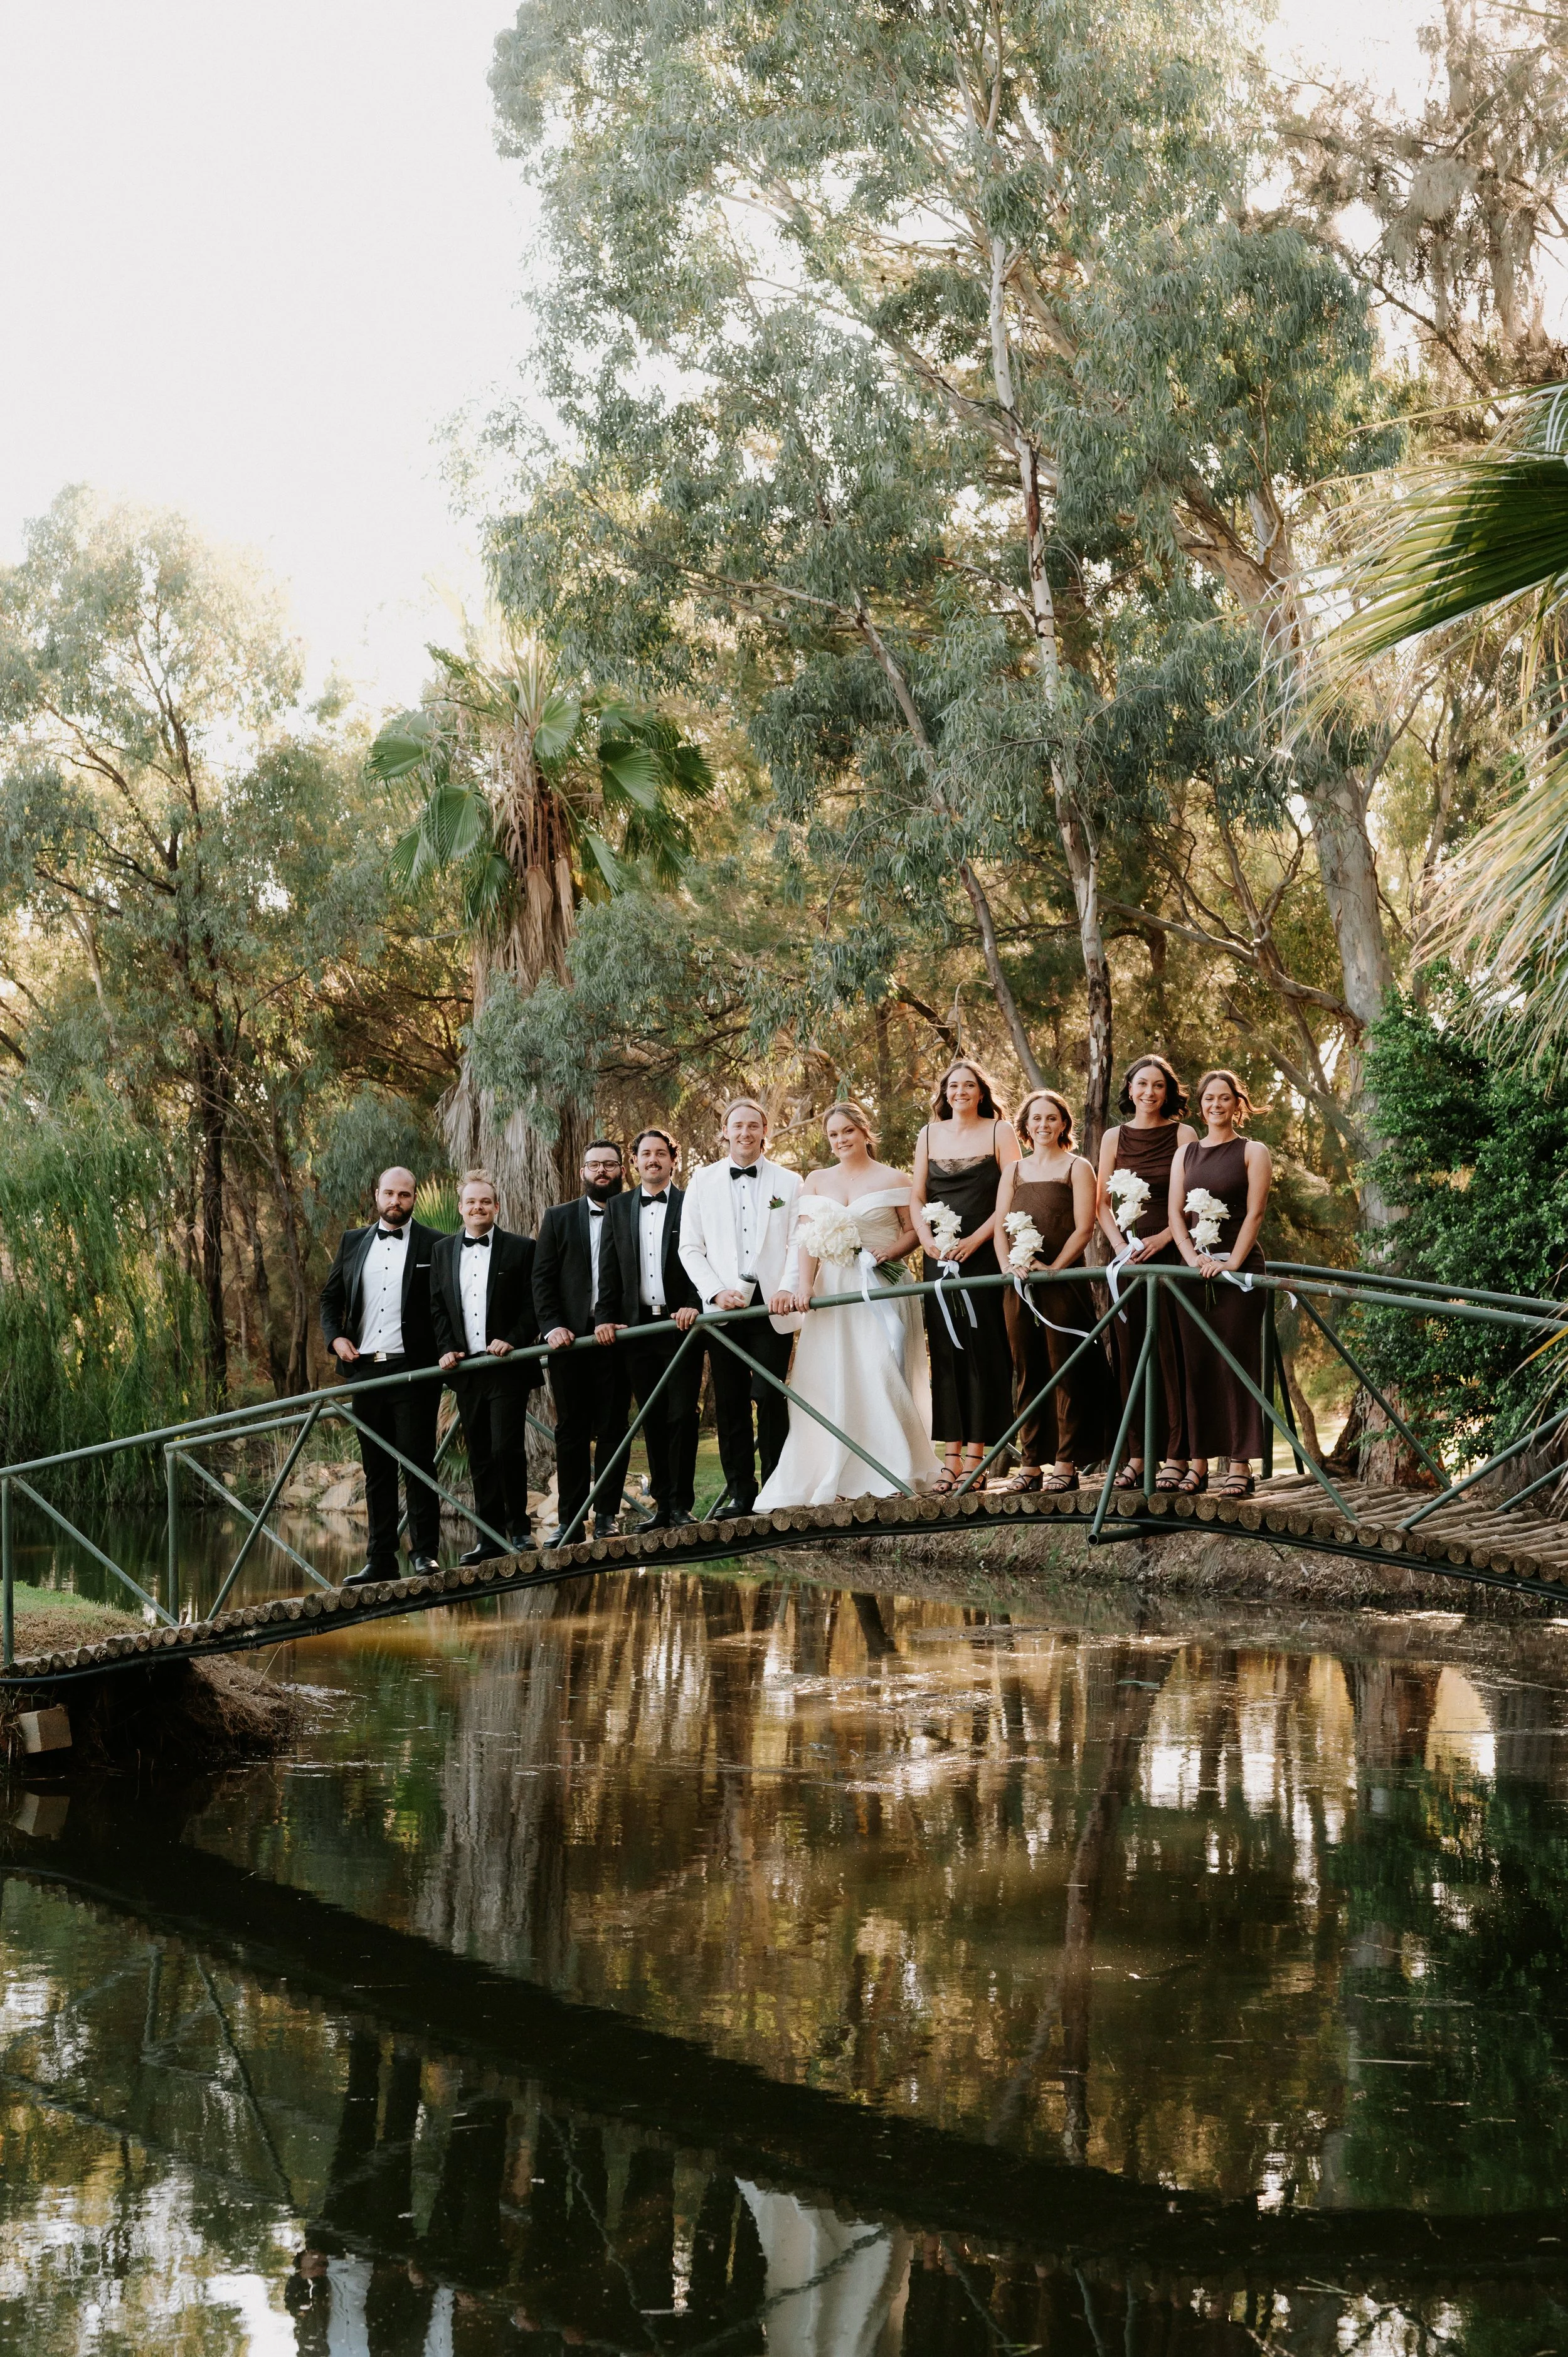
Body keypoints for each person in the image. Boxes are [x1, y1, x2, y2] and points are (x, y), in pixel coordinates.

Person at [758, 1101, 938, 1506]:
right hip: (833, 1291)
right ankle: (833, 1470)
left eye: (847, 1132)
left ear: (864, 1131)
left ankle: (894, 1468)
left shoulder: (895, 1177)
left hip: (882, 1284)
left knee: (881, 1371)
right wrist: (805, 1287)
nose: (840, 1140)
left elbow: (913, 1231)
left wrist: (888, 1254)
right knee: (832, 1379)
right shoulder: (817, 1180)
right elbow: (805, 1240)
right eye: (833, 1135)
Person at [320, 1167, 442, 1584]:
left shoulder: (434, 1243)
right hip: (364, 1372)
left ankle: (425, 1553)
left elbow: (446, 1302)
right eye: (389, 1193)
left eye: (404, 1195)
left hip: (413, 1370)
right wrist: (335, 1340)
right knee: (377, 1470)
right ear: (376, 1195)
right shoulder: (353, 1241)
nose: (396, 1201)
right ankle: (380, 1559)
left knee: (419, 1465)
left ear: (413, 1199)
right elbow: (330, 1297)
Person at [678, 1099, 802, 1513]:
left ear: (764, 1130)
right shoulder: (702, 1180)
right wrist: (715, 1292)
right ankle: (740, 1492)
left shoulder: (788, 1182)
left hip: (772, 1307)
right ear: (725, 1131)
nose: (745, 1133)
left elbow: (796, 1242)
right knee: (730, 1402)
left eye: (753, 1125)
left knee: (769, 1395)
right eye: (738, 1126)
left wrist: (787, 1288)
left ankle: (777, 1488)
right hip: (724, 1308)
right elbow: (690, 1248)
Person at [995, 1089, 1116, 1493]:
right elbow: (999, 1227)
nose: (1043, 1125)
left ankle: (1066, 1464)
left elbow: (1085, 1228)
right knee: (1027, 1368)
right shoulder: (1013, 1171)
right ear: (1025, 1126)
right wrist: (1008, 1267)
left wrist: (1053, 1269)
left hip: (1062, 1283)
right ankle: (1031, 1465)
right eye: (1036, 1119)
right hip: (1019, 1285)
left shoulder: (1077, 1168)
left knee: (1065, 1367)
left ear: (1063, 1124)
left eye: (1051, 1118)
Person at [911, 1060, 1020, 1494]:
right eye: (953, 1085)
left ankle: (978, 1458)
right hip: (940, 1256)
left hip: (985, 1252)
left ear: (981, 1091)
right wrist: (928, 1241)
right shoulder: (928, 1134)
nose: (960, 1091)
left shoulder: (1000, 1131)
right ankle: (950, 1458)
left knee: (985, 1352)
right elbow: (918, 1195)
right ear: (945, 1092)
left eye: (969, 1085)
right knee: (947, 1354)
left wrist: (975, 1240)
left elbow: (1013, 1191)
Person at [1096, 1055, 1199, 1492]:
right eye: (1142, 1084)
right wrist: (1121, 1246)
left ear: (1168, 1091)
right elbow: (1100, 1201)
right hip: (1128, 1261)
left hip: (1172, 1254)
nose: (1149, 1092)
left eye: (1158, 1085)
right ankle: (1138, 1455)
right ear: (1130, 1088)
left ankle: (1177, 1455)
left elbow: (1197, 1197)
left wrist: (1163, 1239)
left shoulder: (1184, 1134)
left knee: (1174, 1355)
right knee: (1131, 1354)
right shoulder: (1112, 1137)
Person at [1170, 1068, 1273, 1499]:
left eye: (1225, 1098)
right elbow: (1176, 1214)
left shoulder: (1253, 1151)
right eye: (1209, 1098)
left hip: (1239, 1272)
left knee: (1237, 1363)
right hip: (1192, 1273)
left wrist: (1233, 1259)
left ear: (1237, 1103)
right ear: (1200, 1104)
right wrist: (1192, 1256)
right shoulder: (1186, 1153)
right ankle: (1198, 1463)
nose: (1216, 1104)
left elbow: (1255, 1213)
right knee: (1196, 1367)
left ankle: (1239, 1463)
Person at [594, 1128, 704, 1531]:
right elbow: (608, 1268)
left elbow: (701, 1257)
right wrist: (605, 1316)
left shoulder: (692, 1202)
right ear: (635, 1162)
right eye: (646, 1154)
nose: (653, 1160)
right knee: (652, 1417)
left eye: (661, 1153)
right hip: (636, 1329)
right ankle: (661, 1508)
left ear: (673, 1160)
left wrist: (694, 1303)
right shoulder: (618, 1207)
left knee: (683, 1415)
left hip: (681, 1325)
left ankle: (682, 1506)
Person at [431, 1169, 539, 1560]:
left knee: (505, 1449)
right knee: (479, 1453)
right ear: (461, 1208)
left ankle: (521, 1532)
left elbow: (533, 1305)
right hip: (467, 1370)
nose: (478, 1207)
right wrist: (446, 1347)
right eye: (471, 1202)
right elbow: (439, 1308)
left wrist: (513, 1338)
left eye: (485, 1201)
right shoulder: (442, 1251)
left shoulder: (521, 1249)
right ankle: (488, 1538)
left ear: (497, 1206)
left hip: (506, 1365)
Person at [532, 1140, 630, 1543]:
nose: (602, 1171)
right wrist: (552, 1326)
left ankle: (607, 1515)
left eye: (610, 1164)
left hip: (619, 1338)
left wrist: (628, 1321)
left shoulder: (633, 1213)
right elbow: (542, 1279)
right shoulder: (557, 1218)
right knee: (570, 1430)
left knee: (614, 1427)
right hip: (568, 1342)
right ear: (582, 1172)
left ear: (622, 1170)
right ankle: (570, 1521)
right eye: (594, 1165)